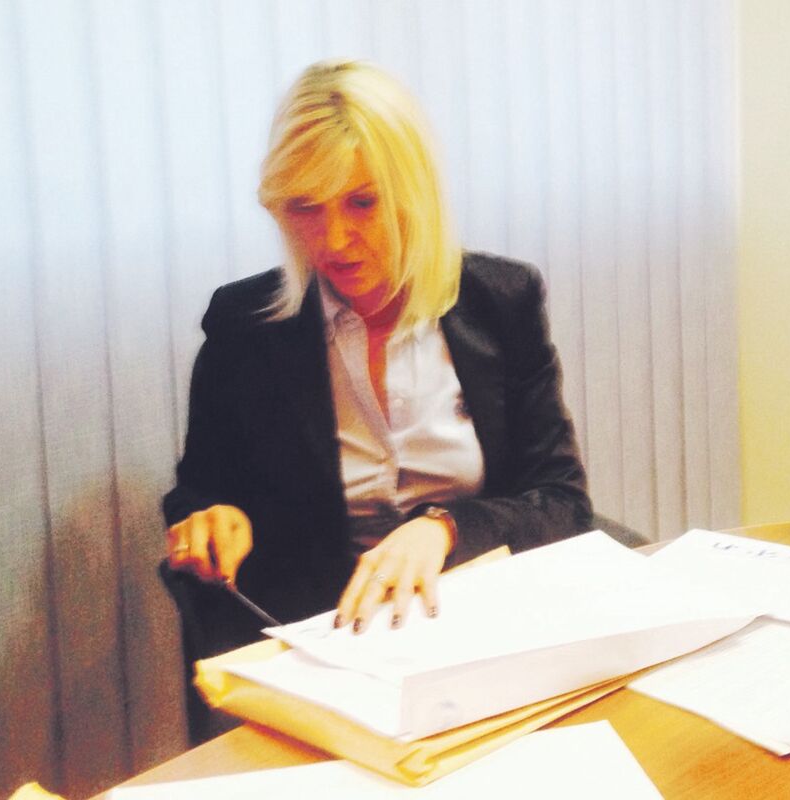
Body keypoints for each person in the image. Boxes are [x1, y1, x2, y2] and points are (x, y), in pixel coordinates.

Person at [162, 59, 591, 672]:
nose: (334, 240)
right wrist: (211, 521)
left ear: (415, 193)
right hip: (322, 639)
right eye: (306, 207)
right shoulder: (244, 325)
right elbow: (200, 491)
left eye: (362, 203)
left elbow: (561, 501)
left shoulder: (502, 301)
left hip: (481, 623)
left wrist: (444, 527)